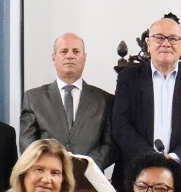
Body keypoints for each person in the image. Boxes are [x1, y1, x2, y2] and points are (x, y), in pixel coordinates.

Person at [109, 15, 181, 186]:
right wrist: (151, 159)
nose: (166, 43)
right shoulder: (129, 78)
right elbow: (121, 125)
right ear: (148, 44)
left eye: (173, 39)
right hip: (136, 173)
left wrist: (174, 158)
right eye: (158, 38)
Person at [19, 32, 115, 166]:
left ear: (84, 57)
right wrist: (50, 165)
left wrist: (84, 167)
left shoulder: (105, 100)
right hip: (47, 179)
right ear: (54, 58)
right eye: (63, 51)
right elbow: (26, 141)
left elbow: (110, 144)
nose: (70, 56)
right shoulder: (34, 98)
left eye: (76, 51)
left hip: (88, 181)